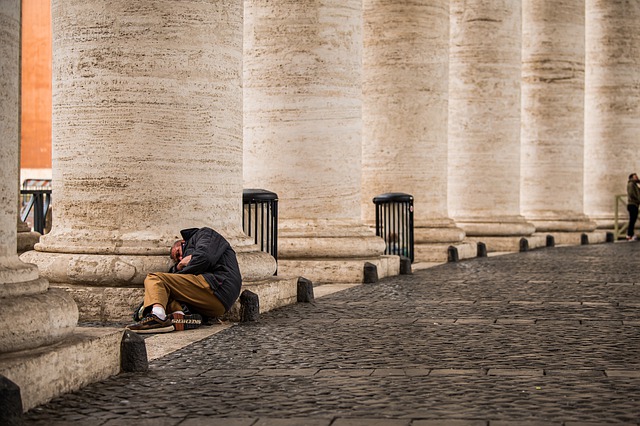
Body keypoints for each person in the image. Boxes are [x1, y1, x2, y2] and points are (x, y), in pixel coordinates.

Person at [127, 227, 243, 333]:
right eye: (177, 259)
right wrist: (178, 267)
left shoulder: (204, 234)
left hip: (218, 285)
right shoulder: (186, 260)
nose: (180, 258)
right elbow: (174, 281)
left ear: (182, 243)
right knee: (165, 294)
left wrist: (186, 264)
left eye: (178, 253)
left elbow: (205, 257)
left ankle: (158, 317)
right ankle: (181, 316)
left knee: (155, 278)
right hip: (217, 303)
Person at [627, 173, 640, 241]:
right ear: (631, 178)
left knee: (633, 220)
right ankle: (629, 235)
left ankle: (630, 235)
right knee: (632, 221)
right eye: (635, 177)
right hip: (632, 204)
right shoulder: (631, 184)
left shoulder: (635, 185)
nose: (637, 177)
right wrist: (638, 199)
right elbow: (632, 194)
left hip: (634, 204)